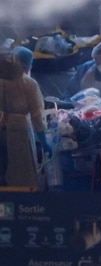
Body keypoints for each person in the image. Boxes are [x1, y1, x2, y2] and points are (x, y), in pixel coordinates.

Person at [0, 46, 53, 188]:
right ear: (27, 66)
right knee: (20, 175)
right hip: (19, 131)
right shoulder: (28, 84)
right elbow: (36, 116)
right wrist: (44, 141)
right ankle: (20, 206)